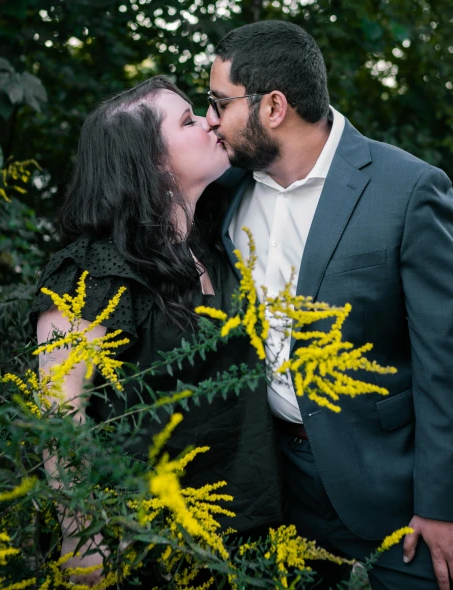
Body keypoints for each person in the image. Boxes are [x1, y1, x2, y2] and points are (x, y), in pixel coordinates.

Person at [206, 20, 453, 590]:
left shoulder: (407, 189)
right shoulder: (223, 195)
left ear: (273, 106)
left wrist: (449, 503)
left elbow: (449, 363)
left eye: (218, 103)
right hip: (274, 485)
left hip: (394, 483)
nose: (210, 120)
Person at [30, 77, 282, 585]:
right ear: (148, 162)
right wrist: (83, 537)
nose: (212, 121)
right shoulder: (91, 273)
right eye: (188, 120)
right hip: (141, 545)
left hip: (245, 539)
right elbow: (61, 415)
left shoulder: (217, 248)